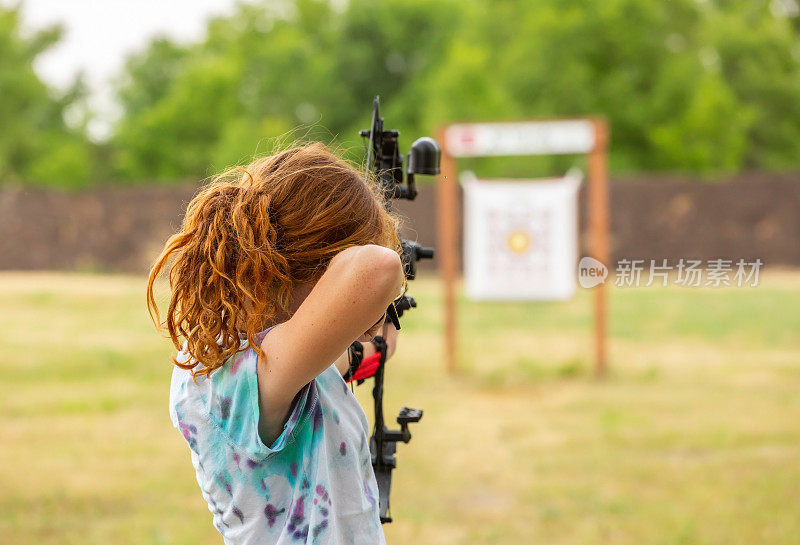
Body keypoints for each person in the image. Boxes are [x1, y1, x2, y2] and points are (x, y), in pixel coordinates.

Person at [145, 142, 406, 544]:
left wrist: (378, 331)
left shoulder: (285, 363)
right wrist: (377, 299)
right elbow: (379, 267)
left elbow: (349, 358)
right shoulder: (231, 371)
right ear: (318, 266)